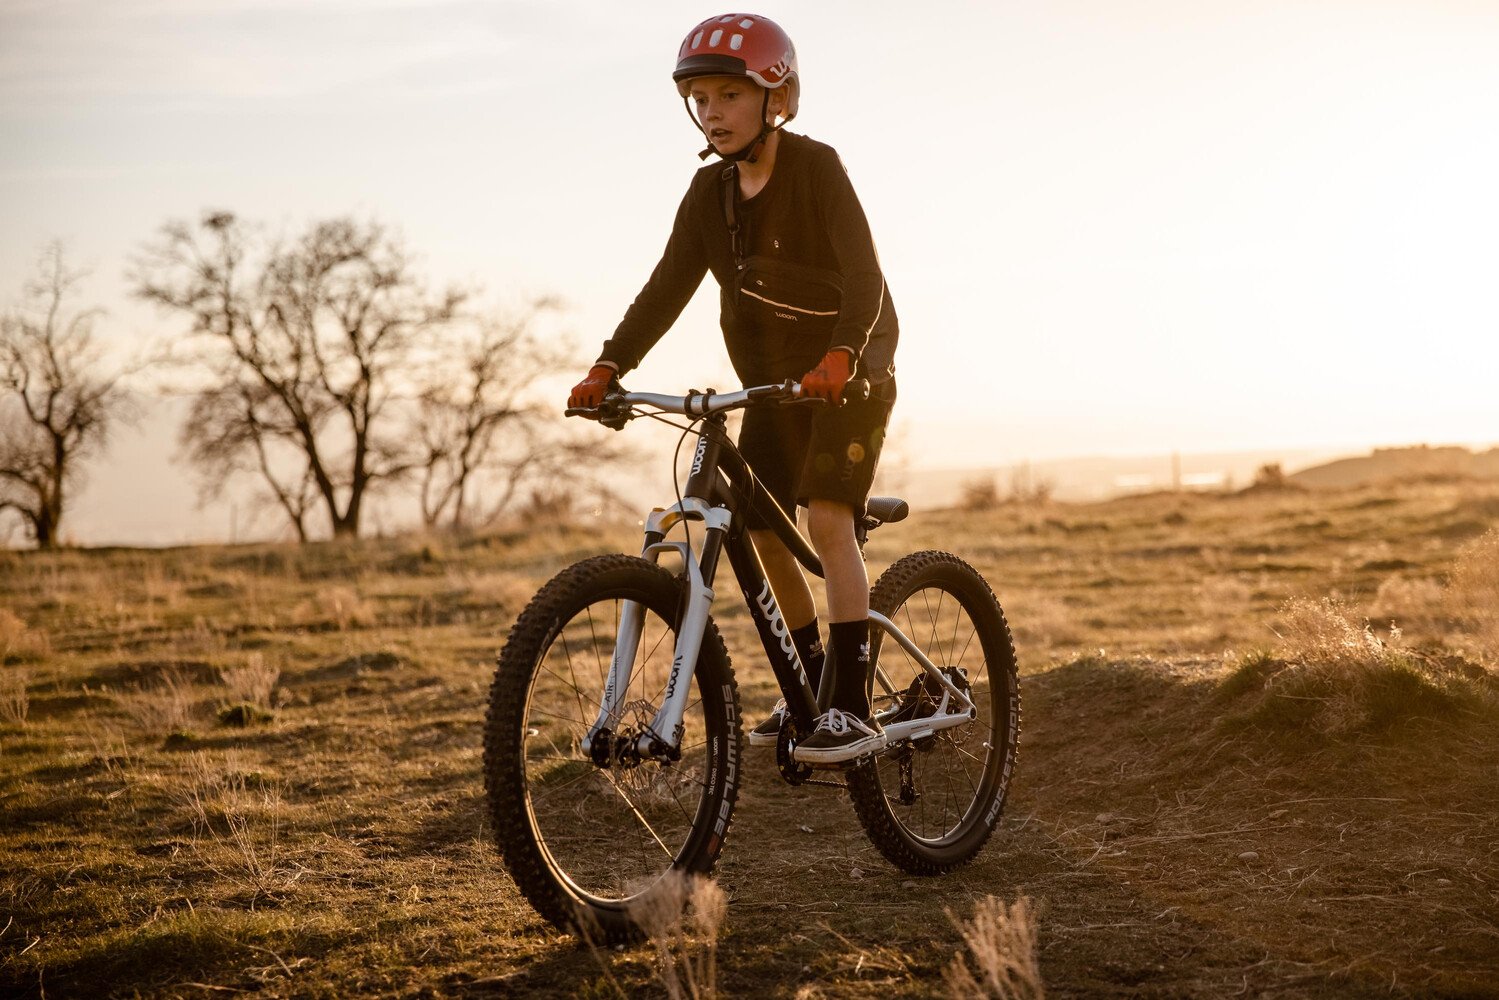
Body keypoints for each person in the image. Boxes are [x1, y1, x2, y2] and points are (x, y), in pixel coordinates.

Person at [568, 12, 898, 765]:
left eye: (728, 95)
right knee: (754, 527)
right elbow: (664, 290)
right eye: (701, 99)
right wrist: (608, 367)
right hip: (773, 386)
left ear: (773, 97)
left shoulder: (816, 169)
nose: (712, 113)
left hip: (851, 371)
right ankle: (810, 681)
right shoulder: (708, 194)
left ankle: (848, 706)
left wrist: (845, 354)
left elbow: (864, 278)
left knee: (825, 521)